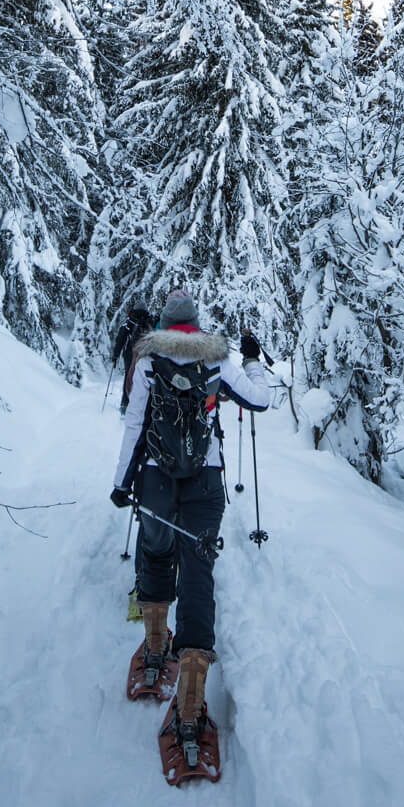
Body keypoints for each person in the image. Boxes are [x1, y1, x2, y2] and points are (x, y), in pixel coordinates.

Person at [111, 286, 271, 780]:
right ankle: (189, 710)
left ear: (164, 322)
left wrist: (122, 482)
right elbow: (260, 401)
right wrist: (251, 358)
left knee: (156, 556)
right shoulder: (217, 359)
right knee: (197, 578)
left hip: (157, 482)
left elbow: (135, 423)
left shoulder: (150, 356)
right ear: (196, 323)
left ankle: (157, 650)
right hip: (206, 483)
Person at [110, 300, 153, 414]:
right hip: (144, 354)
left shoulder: (129, 324)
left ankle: (125, 403)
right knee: (142, 378)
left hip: (129, 354)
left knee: (128, 377)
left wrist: (115, 356)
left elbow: (120, 340)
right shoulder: (148, 322)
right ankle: (142, 405)